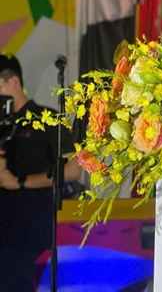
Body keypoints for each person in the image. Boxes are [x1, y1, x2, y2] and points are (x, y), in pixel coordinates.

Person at [0, 54, 82, 292]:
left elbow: (74, 169)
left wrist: (20, 182)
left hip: (29, 235)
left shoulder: (47, 120)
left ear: (13, 82)